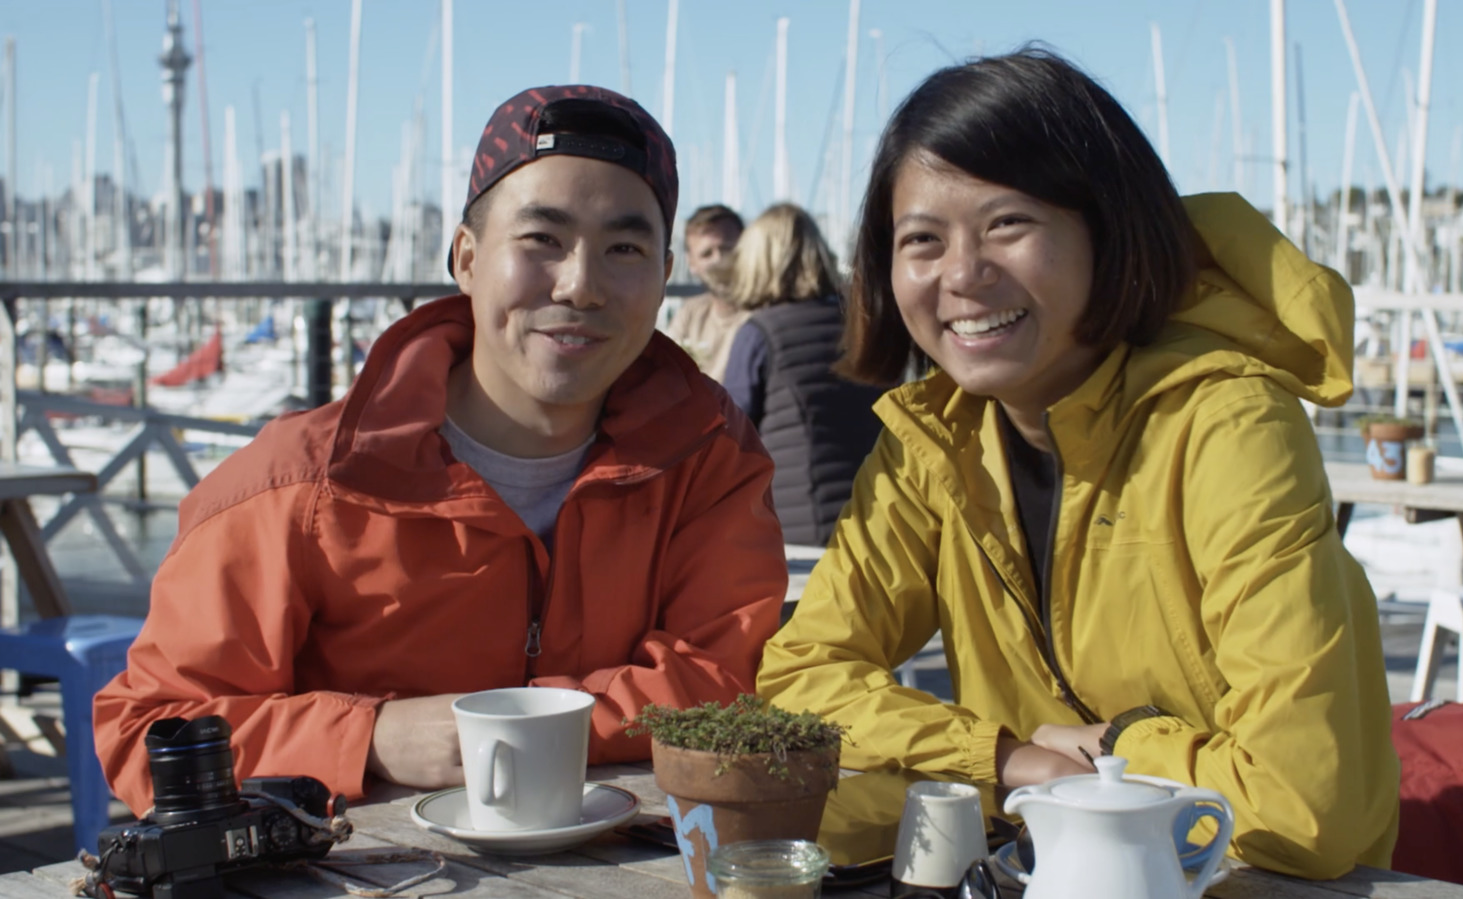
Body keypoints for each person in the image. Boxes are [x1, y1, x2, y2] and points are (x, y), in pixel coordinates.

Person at [757, 48, 1399, 880]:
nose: (962, 273)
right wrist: (1007, 757)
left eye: (1008, 224)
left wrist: (1120, 746)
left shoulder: (1225, 423)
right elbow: (803, 672)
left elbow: (1307, 806)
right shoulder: (935, 442)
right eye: (922, 239)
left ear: (1108, 226)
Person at [94, 84, 787, 817]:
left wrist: (503, 723)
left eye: (624, 248)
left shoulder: (708, 456)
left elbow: (725, 675)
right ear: (465, 257)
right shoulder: (297, 485)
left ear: (663, 276)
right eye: (541, 240)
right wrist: (369, 735)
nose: (581, 285)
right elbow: (145, 731)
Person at [719, 203, 883, 546]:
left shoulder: (760, 334)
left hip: (800, 528)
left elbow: (726, 437)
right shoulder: (864, 324)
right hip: (881, 516)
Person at [665, 204, 747, 381]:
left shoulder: (764, 314)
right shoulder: (690, 313)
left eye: (727, 249)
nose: (718, 260)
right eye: (706, 254)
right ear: (691, 263)